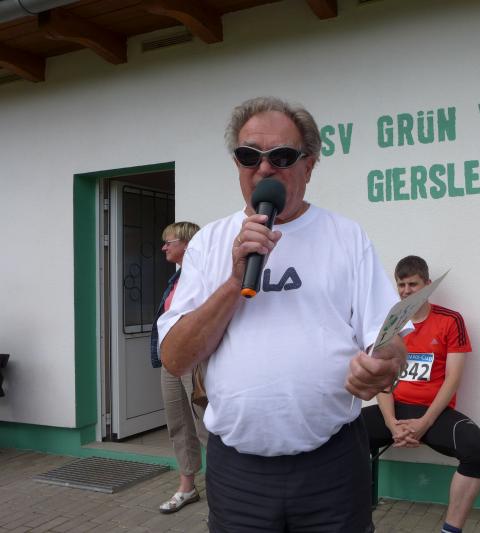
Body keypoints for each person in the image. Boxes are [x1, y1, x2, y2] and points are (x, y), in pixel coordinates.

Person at [157, 96, 407, 533]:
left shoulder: (346, 237)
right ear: (237, 164)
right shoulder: (208, 244)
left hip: (332, 464)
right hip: (238, 472)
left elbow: (388, 339)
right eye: (249, 155)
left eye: (282, 156)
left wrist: (385, 365)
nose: (264, 168)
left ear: (309, 165)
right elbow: (176, 357)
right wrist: (235, 281)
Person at [362, 255, 480, 533]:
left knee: (477, 448)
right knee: (339, 434)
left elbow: (452, 380)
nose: (406, 291)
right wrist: (391, 424)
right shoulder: (390, 324)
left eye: (413, 284)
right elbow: (383, 381)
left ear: (428, 285)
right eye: (401, 285)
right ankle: (351, 519)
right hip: (394, 411)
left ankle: (450, 529)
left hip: (433, 414)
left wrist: (424, 423)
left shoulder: (450, 320)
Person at [149, 221, 207, 514]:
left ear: (187, 243)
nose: (164, 247)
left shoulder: (203, 276)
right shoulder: (177, 278)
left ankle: (224, 489)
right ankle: (187, 487)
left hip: (195, 360)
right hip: (170, 360)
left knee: (207, 425)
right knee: (178, 424)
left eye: (169, 242)